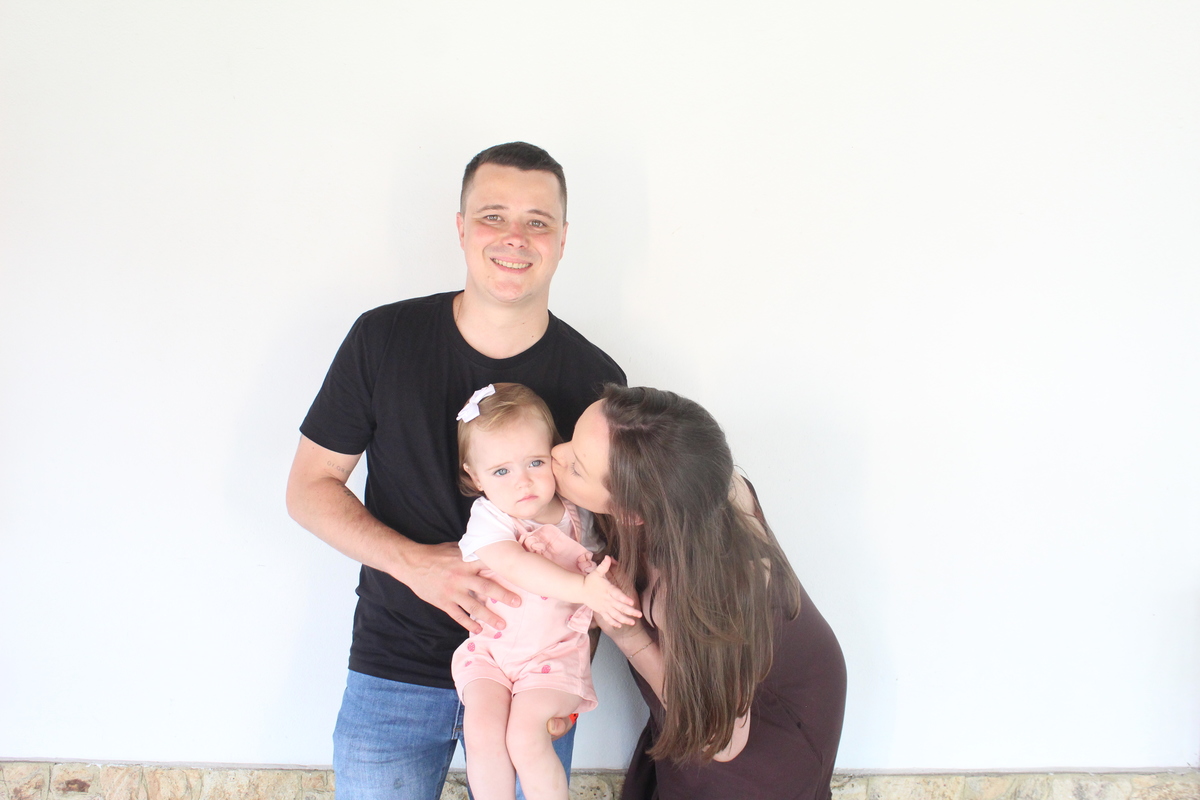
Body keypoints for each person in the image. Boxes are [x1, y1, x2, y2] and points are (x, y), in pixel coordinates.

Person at [286, 142, 625, 800]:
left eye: (537, 221)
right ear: (462, 227)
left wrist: (572, 671)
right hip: (393, 670)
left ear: (562, 239)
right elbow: (308, 489)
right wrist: (416, 564)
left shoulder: (596, 379)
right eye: (494, 216)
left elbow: (608, 541)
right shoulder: (383, 338)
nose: (515, 237)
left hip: (534, 679)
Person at [550, 385, 848, 800]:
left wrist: (630, 638)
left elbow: (717, 739)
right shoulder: (686, 486)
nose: (555, 453)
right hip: (703, 691)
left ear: (631, 512)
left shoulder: (707, 585)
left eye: (577, 468)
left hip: (755, 744)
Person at [451, 382, 639, 800]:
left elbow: (605, 566)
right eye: (501, 471)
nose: (523, 482)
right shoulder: (490, 518)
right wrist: (583, 588)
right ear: (475, 476)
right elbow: (515, 564)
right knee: (481, 729)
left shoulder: (580, 518)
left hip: (554, 656)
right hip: (491, 653)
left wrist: (607, 587)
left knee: (525, 737)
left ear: (554, 454)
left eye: (535, 462)